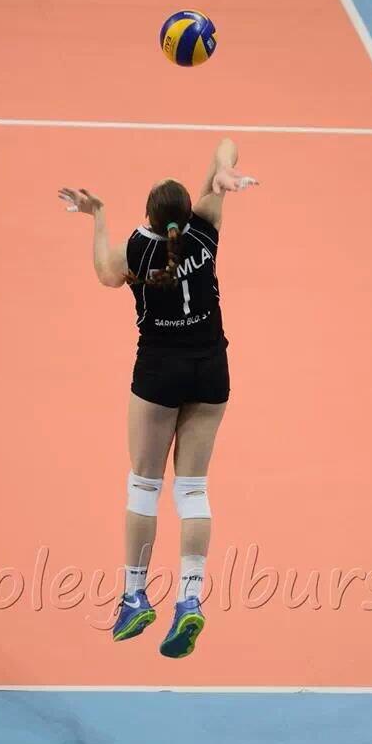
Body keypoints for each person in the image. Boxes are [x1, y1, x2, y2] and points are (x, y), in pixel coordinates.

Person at [58, 139, 257, 657]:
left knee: (144, 485)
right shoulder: (207, 228)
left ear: (148, 217)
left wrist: (99, 214)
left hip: (159, 374)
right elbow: (224, 144)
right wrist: (223, 173)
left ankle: (134, 596)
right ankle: (189, 600)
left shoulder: (137, 250)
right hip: (211, 371)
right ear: (190, 209)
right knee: (193, 490)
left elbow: (105, 274)